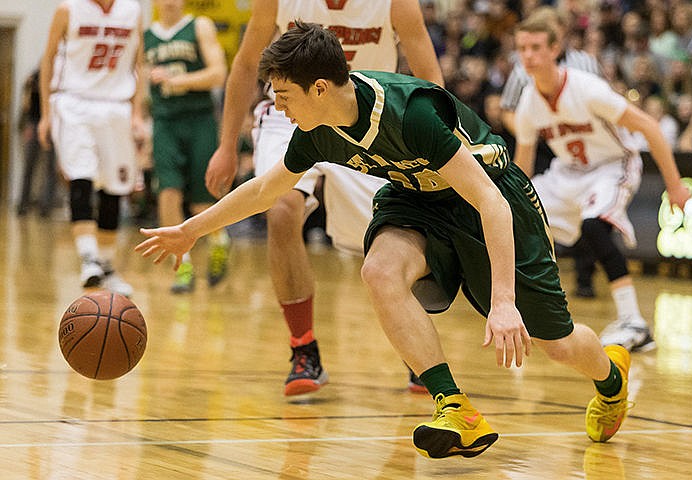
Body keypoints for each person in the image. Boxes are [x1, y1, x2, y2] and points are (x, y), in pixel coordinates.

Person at [137, 21, 638, 459]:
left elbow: (490, 202)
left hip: (490, 197)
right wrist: (190, 230)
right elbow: (267, 189)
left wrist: (504, 302)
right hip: (415, 198)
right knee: (378, 270)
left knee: (558, 345)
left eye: (283, 96)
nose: (277, 107)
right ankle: (455, 407)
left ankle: (611, 379)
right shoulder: (316, 129)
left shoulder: (410, 113)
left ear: (317, 89)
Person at [203, 0, 444, 396]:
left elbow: (429, 75)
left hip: (366, 113)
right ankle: (304, 349)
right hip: (290, 112)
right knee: (280, 208)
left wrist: (436, 147)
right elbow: (247, 64)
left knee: (392, 237)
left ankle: (416, 347)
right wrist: (227, 144)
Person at [512, 13, 692, 353]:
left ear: (554, 49)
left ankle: (634, 322)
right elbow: (522, 166)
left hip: (613, 165)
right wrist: (512, 202)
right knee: (519, 218)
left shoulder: (586, 88)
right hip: (568, 172)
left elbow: (650, 128)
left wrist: (675, 185)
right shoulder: (528, 103)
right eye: (522, 48)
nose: (528, 56)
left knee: (594, 226)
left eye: (535, 47)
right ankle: (535, 309)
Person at [38, 0, 145, 297]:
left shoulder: (133, 11)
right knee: (81, 178)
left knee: (114, 189)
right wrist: (47, 114)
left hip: (116, 107)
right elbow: (47, 59)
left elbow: (139, 64)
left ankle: (107, 266)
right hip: (75, 103)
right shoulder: (67, 9)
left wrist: (137, 113)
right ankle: (88, 259)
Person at [500, 6, 602, 299]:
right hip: (539, 147)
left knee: (587, 212)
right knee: (533, 208)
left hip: (580, 143)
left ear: (560, 36)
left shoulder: (586, 62)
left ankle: (586, 277)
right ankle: (533, 276)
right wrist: (530, 130)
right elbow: (508, 110)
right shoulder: (523, 68)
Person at [145, 0, 230, 293]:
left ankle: (220, 242)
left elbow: (219, 73)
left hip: (199, 119)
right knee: (167, 191)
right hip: (164, 121)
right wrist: (135, 117)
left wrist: (179, 80)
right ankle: (183, 267)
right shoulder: (146, 35)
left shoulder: (199, 26)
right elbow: (137, 82)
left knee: (202, 200)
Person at [16, 69, 58, 218]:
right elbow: (26, 105)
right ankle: (23, 204)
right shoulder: (33, 77)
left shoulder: (59, 77)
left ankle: (46, 206)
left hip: (52, 126)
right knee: (29, 167)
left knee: (50, 169)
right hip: (34, 124)